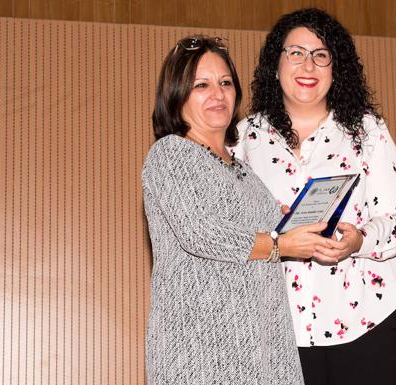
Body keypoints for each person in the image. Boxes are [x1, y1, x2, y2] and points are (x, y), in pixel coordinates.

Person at [231, 9, 396, 385]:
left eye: (321, 55)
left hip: (368, 316)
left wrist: (358, 240)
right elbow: (228, 231)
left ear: (336, 68)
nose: (308, 65)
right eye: (295, 52)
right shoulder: (243, 139)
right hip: (275, 327)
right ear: (275, 63)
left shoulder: (368, 132)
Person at [142, 35, 330, 385]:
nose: (218, 93)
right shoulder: (169, 154)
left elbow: (266, 235)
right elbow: (201, 232)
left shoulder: (245, 171)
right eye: (202, 85)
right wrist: (280, 244)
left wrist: (299, 226)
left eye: (225, 83)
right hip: (197, 353)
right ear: (177, 94)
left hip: (261, 351)